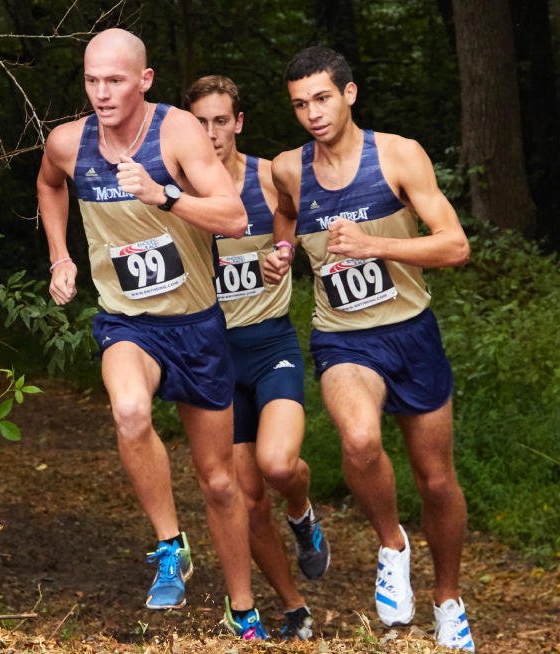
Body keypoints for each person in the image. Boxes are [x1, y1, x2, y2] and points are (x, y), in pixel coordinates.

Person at [36, 29, 262, 636]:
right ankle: (170, 546)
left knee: (218, 480)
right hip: (127, 322)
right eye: (91, 80)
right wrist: (61, 255)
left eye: (114, 80)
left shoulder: (178, 134)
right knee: (130, 411)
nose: (102, 93)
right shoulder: (67, 143)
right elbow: (49, 185)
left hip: (196, 325)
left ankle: (243, 608)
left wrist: (163, 194)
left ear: (145, 80)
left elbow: (236, 217)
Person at [258, 46, 474, 651]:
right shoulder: (288, 168)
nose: (312, 114)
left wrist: (376, 246)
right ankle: (391, 544)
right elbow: (284, 215)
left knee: (436, 482)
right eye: (300, 104)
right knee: (358, 439)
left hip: (411, 333)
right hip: (342, 336)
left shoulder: (398, 155)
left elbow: (455, 246)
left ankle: (448, 600)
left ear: (349, 95)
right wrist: (278, 256)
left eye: (322, 98)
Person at [184, 73, 327, 641]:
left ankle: (304, 510)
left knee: (277, 465)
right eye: (200, 123)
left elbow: (296, 217)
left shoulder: (269, 176)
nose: (212, 133)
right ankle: (293, 606)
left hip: (270, 345)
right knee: (245, 499)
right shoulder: (180, 188)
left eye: (221, 121)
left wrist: (282, 252)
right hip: (214, 356)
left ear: (238, 123)